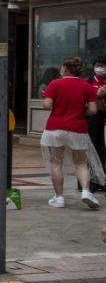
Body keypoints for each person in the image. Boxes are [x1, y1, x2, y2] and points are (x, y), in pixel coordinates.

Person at [40, 56, 104, 210]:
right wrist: (81, 112)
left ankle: (59, 198)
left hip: (55, 128)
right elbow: (94, 110)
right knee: (81, 163)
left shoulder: (55, 84)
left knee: (56, 163)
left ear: (66, 68)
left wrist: (52, 103)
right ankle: (86, 192)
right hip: (78, 128)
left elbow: (47, 105)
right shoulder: (87, 87)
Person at [86, 57, 106, 194]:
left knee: (104, 152)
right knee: (94, 150)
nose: (100, 68)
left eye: (103, 66)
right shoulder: (89, 81)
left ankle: (103, 181)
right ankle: (92, 181)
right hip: (93, 119)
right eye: (98, 65)